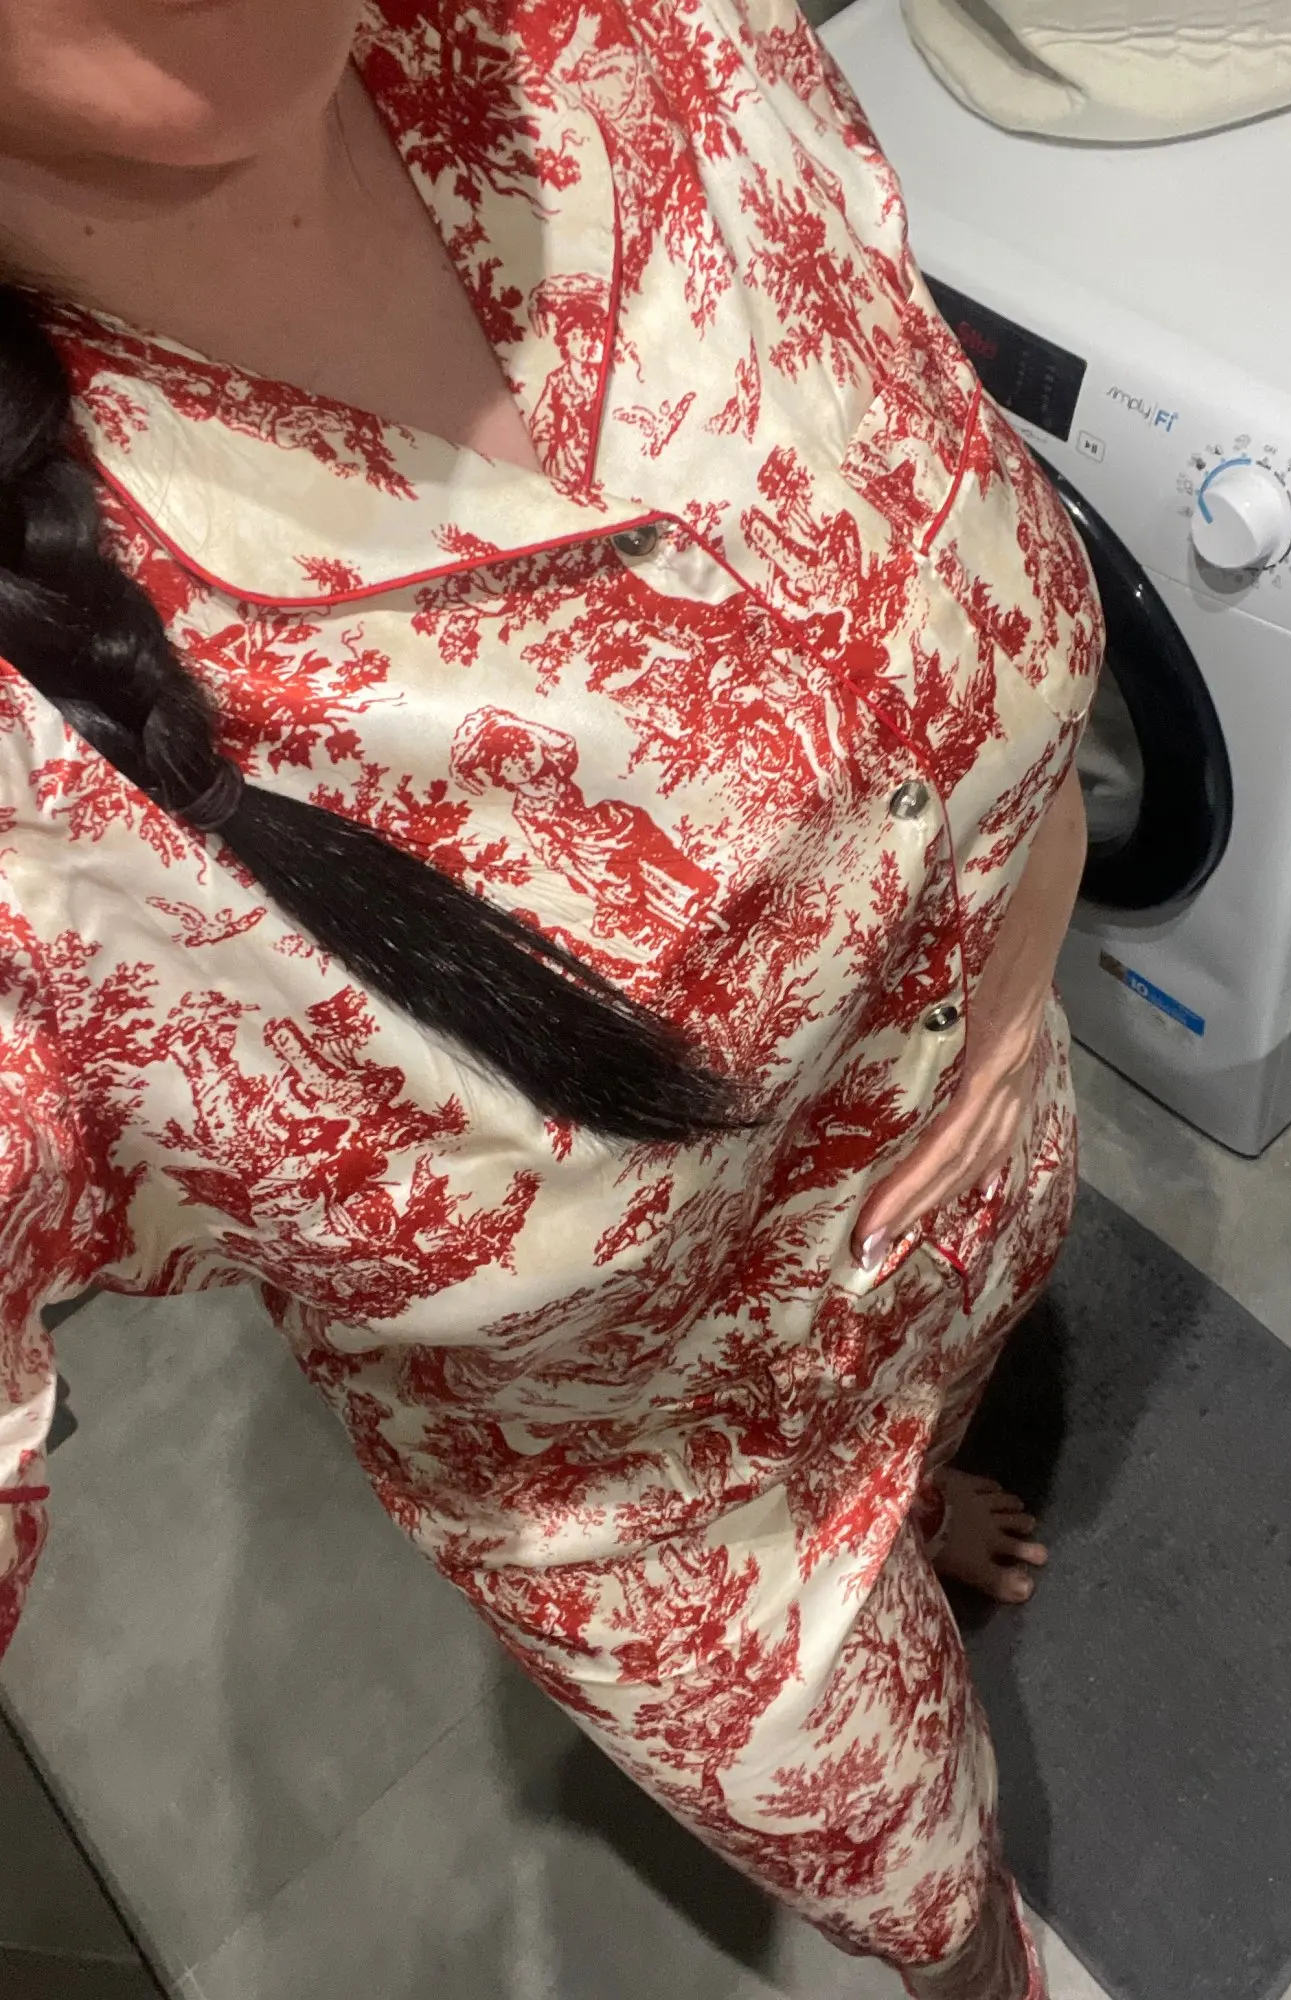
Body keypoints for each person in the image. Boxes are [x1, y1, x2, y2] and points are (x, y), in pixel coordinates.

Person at [0, 2, 1100, 1995]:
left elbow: (946, 522)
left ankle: (925, 1483)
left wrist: (1043, 868)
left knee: (955, 1400)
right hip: (693, 1528)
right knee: (928, 1891)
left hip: (977, 1200)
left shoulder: (642, 38)